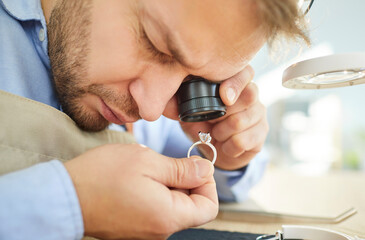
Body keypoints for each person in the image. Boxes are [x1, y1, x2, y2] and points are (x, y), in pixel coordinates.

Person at [0, 0, 309, 239]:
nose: (150, 109)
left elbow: (229, 183)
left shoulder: (159, 117)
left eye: (193, 79)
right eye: (154, 44)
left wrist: (230, 150)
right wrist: (72, 203)